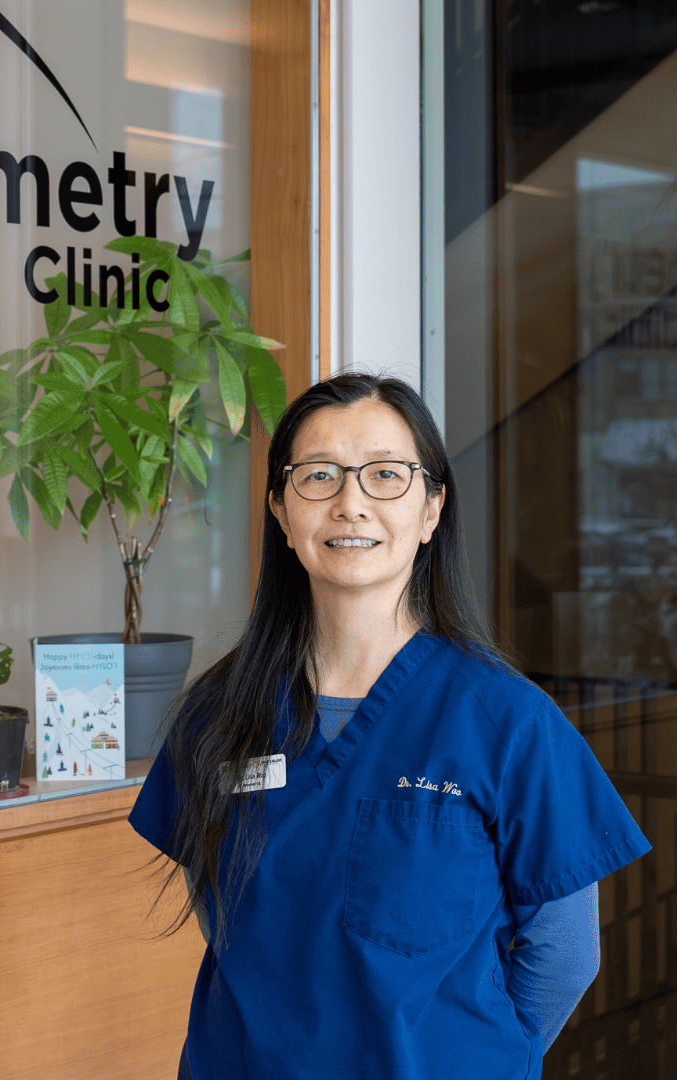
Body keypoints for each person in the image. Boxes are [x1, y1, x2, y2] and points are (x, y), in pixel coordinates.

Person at [130, 374, 649, 1079]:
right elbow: (220, 914)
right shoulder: (216, 713)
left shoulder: (507, 721)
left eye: (385, 475)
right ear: (281, 509)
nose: (351, 503)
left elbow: (564, 952)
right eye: (319, 475)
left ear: (431, 508)